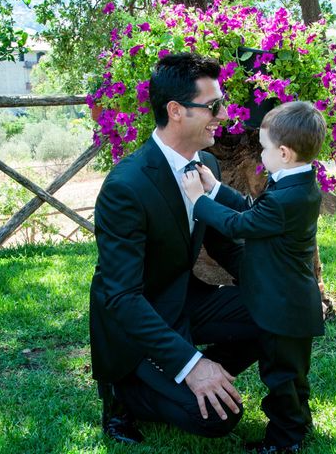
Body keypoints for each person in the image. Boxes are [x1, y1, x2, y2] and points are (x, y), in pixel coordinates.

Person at [89, 52, 262, 444]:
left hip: (184, 299)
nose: (223, 114)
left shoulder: (208, 167)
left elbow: (224, 245)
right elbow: (121, 298)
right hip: (136, 319)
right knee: (219, 420)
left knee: (274, 309)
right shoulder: (125, 187)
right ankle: (127, 392)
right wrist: (191, 363)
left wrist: (273, 285)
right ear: (176, 111)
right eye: (213, 106)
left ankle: (203, 375)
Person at [182, 101, 326, 453]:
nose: (260, 154)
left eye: (263, 148)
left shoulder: (286, 198)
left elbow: (239, 224)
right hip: (293, 304)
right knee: (293, 375)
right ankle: (298, 423)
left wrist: (199, 200)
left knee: (280, 376)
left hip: (281, 309)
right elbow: (252, 210)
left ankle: (284, 441)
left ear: (284, 152)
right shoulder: (297, 183)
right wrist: (216, 188)